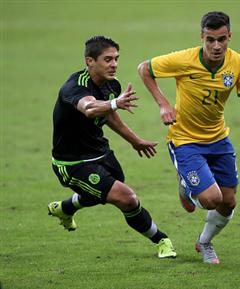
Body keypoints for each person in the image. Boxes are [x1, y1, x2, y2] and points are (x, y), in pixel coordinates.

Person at [137, 11, 240, 264]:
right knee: (211, 199)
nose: (216, 46)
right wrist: (163, 103)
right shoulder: (185, 59)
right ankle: (186, 187)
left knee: (228, 202)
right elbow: (144, 68)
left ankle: (204, 242)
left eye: (222, 39)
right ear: (202, 37)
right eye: (210, 39)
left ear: (229, 36)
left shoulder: (238, 64)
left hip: (219, 139)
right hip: (185, 140)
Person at [48, 36, 176, 259]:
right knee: (126, 198)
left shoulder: (111, 85)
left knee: (103, 193)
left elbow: (110, 116)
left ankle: (65, 208)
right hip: (72, 163)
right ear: (90, 61)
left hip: (101, 153)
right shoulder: (74, 86)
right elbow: (89, 107)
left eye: (116, 58)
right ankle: (162, 240)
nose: (114, 64)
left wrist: (134, 140)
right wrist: (115, 102)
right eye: (107, 59)